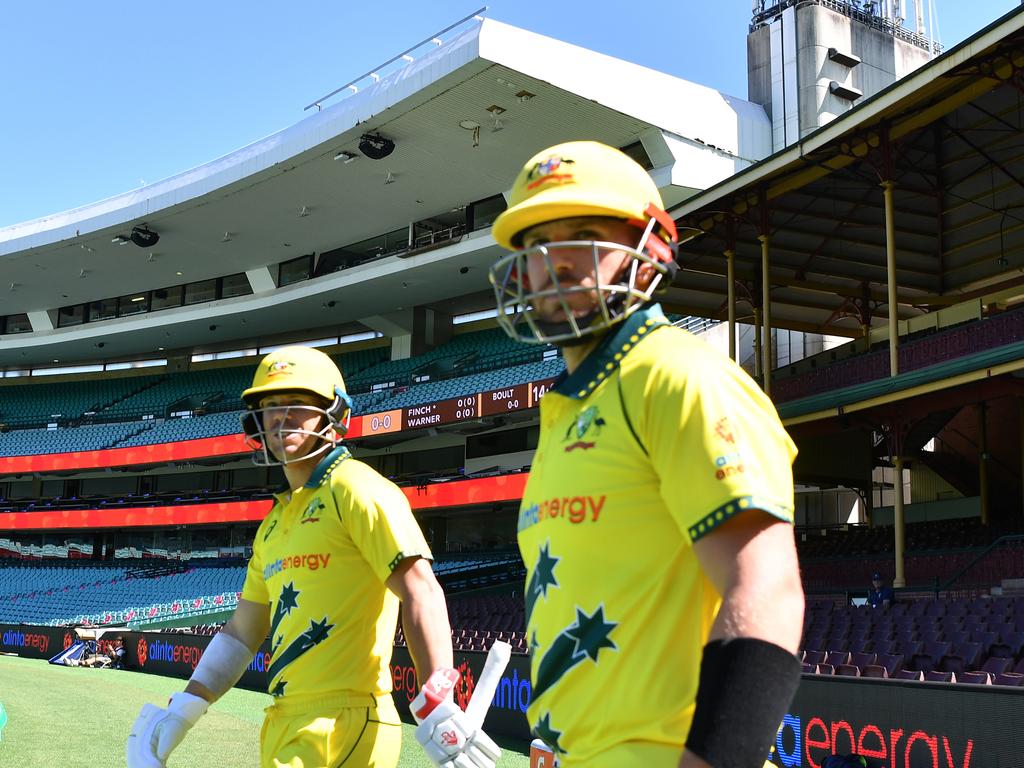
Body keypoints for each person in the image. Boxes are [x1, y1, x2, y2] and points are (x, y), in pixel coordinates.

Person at [488, 141, 805, 768]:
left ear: (649, 251)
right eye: (533, 244)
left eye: (582, 234)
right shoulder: (567, 409)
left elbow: (767, 592)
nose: (552, 261)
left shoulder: (678, 375)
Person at [127, 346, 499, 768]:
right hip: (284, 718)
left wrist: (440, 698)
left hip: (346, 720)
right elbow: (241, 633)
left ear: (333, 415)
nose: (281, 417)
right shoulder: (274, 523)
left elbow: (421, 590)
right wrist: (186, 708)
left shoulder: (358, 488)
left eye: (297, 405)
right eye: (269, 406)